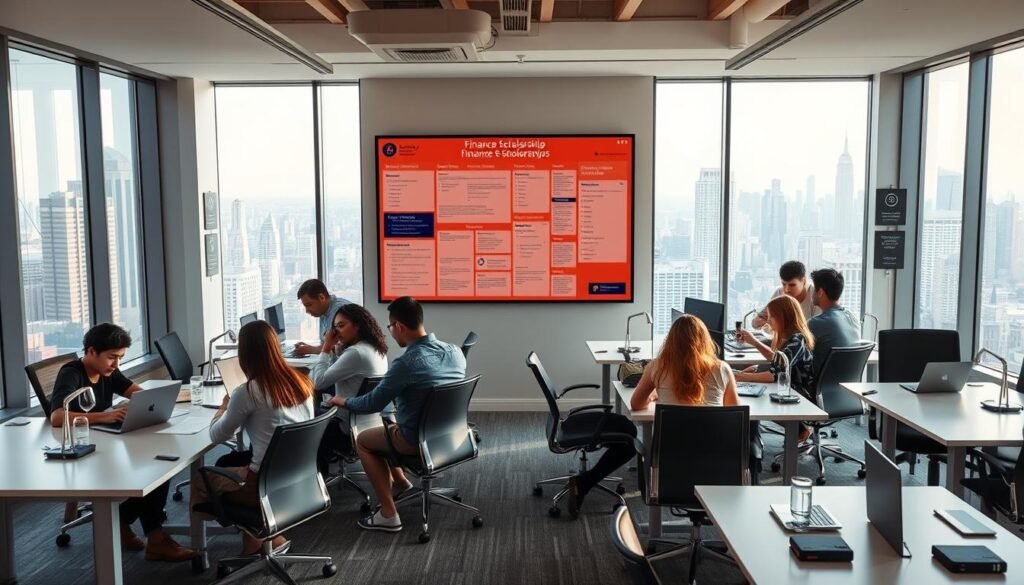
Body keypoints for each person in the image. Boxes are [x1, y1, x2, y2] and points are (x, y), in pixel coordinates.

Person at [50, 323, 194, 562]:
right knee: (151, 468)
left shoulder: (108, 372)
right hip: (82, 450)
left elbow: (140, 394)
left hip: (105, 444)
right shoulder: (72, 373)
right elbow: (56, 417)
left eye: (120, 357)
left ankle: (124, 523)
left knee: (160, 463)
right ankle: (143, 533)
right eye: (112, 357)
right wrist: (105, 416)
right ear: (92, 351)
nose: (116, 364)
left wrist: (154, 403)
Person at [334, 296, 466, 533]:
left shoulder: (406, 364)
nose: (391, 333)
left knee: (364, 440)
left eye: (390, 327)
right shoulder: (455, 352)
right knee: (386, 426)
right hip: (452, 436)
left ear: (400, 326)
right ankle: (401, 484)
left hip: (416, 440)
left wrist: (343, 401)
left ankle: (388, 513)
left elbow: (371, 404)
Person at [191, 320, 314, 555]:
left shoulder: (248, 392)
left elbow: (217, 435)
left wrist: (223, 409)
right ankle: (260, 539)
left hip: (260, 487)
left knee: (200, 480)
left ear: (244, 355)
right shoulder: (302, 382)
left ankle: (201, 551)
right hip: (298, 480)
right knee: (230, 462)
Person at [311, 304, 389, 473]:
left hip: (344, 428)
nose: (337, 332)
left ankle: (316, 481)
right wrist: (338, 352)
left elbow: (318, 382)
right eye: (335, 327)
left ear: (358, 325)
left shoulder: (355, 353)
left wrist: (326, 348)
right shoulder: (376, 348)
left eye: (341, 325)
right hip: (369, 423)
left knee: (303, 418)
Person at [736, 295, 817, 442]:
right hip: (788, 385)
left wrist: (739, 377)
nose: (768, 321)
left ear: (783, 318)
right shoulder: (788, 337)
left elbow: (774, 375)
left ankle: (802, 426)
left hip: (798, 394)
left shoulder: (797, 340)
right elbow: (779, 362)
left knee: (751, 393)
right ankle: (753, 442)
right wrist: (757, 368)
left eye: (772, 317)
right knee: (751, 390)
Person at [807, 268, 861, 377]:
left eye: (814, 289)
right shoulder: (852, 317)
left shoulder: (816, 323)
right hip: (849, 389)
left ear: (820, 292)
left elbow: (792, 348)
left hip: (821, 389)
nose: (812, 293)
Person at [751, 261, 821, 329]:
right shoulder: (779, 293)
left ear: (804, 281)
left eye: (792, 285)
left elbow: (817, 329)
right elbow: (756, 322)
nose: (786, 290)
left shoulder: (815, 296)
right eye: (783, 284)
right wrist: (759, 322)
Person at [292, 279, 352, 356]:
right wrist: (309, 348)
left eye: (309, 305)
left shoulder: (339, 310)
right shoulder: (323, 311)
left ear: (321, 297)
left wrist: (310, 350)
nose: (306, 311)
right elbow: (326, 344)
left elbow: (336, 347)